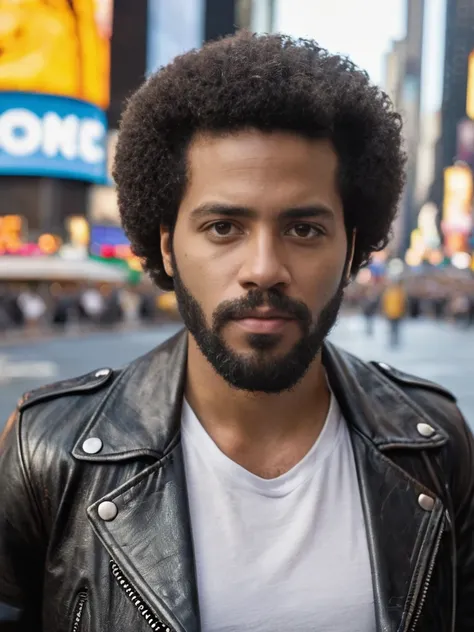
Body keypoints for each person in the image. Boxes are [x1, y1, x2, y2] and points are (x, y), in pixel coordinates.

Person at [0, 32, 473, 632]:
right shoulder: (46, 451)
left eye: (304, 229)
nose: (264, 269)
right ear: (168, 246)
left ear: (351, 247)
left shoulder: (436, 445)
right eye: (224, 227)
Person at [381, 278, 407, 347]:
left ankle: (395, 341)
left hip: (397, 313)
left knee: (395, 328)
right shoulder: (390, 292)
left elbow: (402, 303)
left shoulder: (399, 292)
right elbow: (385, 303)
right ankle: (392, 341)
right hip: (390, 313)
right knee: (392, 328)